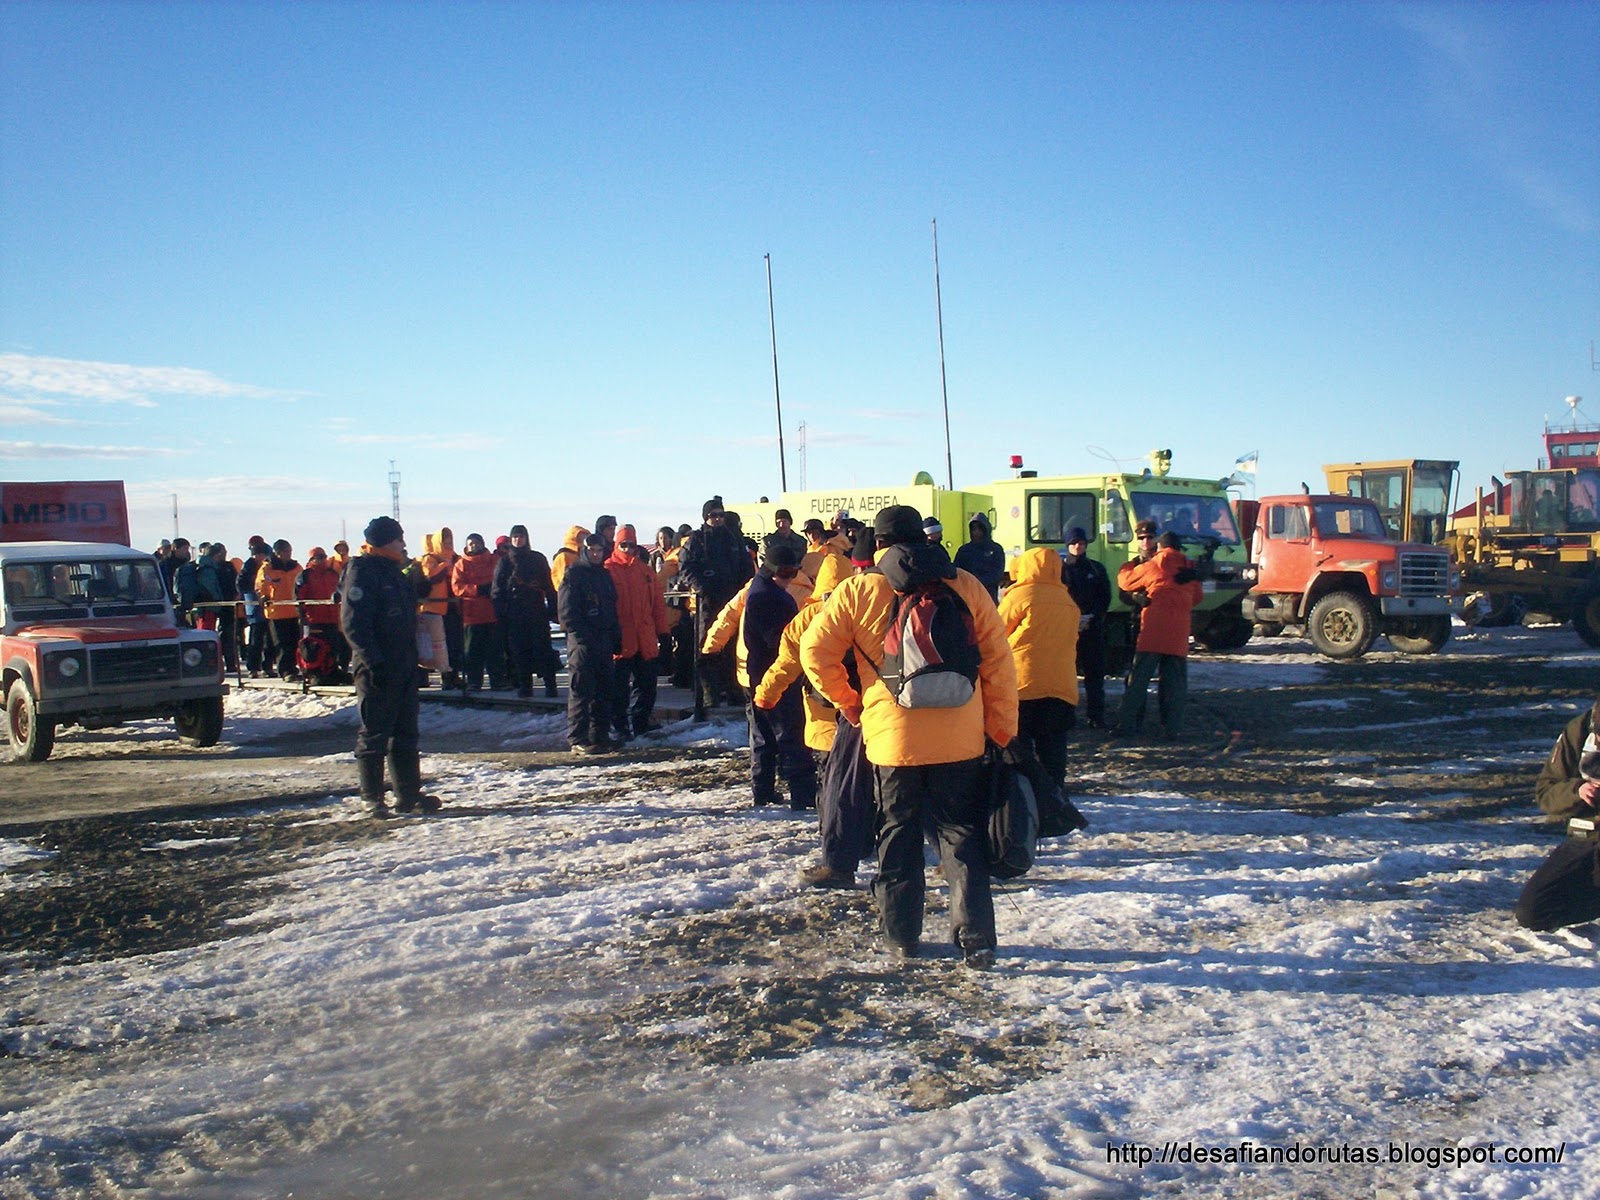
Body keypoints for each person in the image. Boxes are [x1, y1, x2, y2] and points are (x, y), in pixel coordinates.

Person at [801, 504, 1019, 969]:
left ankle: (902, 936)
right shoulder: (966, 584)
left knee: (897, 832)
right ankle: (976, 936)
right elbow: (1000, 662)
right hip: (961, 735)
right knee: (960, 832)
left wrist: (849, 703)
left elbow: (814, 651)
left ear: (878, 543)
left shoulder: (859, 589)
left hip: (892, 738)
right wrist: (1001, 728)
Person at [754, 551, 870, 885]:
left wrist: (766, 694)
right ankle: (867, 839)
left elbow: (786, 663)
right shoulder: (861, 611)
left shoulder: (807, 618)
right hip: (864, 714)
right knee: (866, 782)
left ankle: (833, 842)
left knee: (831, 785)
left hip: (822, 718)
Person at [341, 516, 441, 818]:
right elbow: (354, 624)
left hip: (404, 662)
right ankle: (371, 797)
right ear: (385, 541)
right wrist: (374, 662)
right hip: (377, 666)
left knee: (405, 732)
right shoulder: (363, 570)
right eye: (398, 539)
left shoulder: (395, 570)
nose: (403, 544)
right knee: (375, 732)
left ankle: (407, 794)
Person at [706, 544, 816, 808]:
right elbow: (778, 641)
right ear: (773, 571)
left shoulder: (758, 589)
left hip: (754, 674)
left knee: (763, 736)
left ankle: (763, 790)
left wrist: (711, 647)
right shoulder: (768, 597)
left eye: (794, 573)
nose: (790, 579)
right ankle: (802, 794)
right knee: (790, 734)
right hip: (772, 675)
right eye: (787, 573)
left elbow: (728, 616)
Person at [999, 547, 1081, 794]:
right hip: (1061, 687)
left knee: (1020, 749)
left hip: (1022, 684)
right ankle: (1054, 796)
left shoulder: (1019, 597)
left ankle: (1026, 797)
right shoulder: (1068, 601)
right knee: (1054, 748)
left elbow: (995, 634)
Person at [1515, 699, 1600, 931]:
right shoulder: (1579, 730)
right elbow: (1546, 793)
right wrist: (1577, 791)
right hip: (1587, 836)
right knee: (1533, 913)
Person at [1116, 527, 1202, 740]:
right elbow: (1197, 598)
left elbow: (1125, 581)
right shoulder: (1189, 569)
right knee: (1175, 685)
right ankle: (1173, 729)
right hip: (1178, 633)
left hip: (1152, 631)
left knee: (1138, 681)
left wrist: (1126, 566)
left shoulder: (1154, 564)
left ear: (1160, 546)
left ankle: (1126, 725)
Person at [679, 497, 755, 709]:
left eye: (721, 515)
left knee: (732, 645)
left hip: (732, 599)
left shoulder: (733, 538)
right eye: (714, 515)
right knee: (708, 645)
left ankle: (733, 690)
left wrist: (745, 589)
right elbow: (686, 567)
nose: (718, 519)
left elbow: (746, 566)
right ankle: (709, 693)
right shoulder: (697, 540)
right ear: (706, 517)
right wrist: (702, 587)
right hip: (709, 601)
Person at [605, 525, 671, 739]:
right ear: (616, 545)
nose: (627, 549)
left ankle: (641, 721)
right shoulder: (607, 570)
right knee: (619, 689)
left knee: (647, 685)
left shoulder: (645, 571)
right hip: (620, 640)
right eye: (623, 545)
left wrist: (664, 633)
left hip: (645, 638)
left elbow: (658, 606)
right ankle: (620, 725)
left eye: (631, 545)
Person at [559, 533, 622, 754]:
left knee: (604, 690)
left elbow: (612, 609)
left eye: (599, 550)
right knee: (581, 691)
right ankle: (578, 737)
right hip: (583, 643)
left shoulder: (604, 575)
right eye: (592, 550)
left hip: (603, 639)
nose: (596, 554)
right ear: (584, 551)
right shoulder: (573, 574)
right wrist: (581, 636)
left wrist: (616, 637)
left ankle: (600, 735)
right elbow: (566, 612)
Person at [493, 524, 559, 698]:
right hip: (514, 614)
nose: (518, 540)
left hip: (536, 612)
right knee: (520, 652)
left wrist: (553, 609)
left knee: (543, 650)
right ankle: (525, 686)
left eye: (521, 536)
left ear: (526, 538)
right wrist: (501, 614)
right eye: (515, 537)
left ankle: (550, 685)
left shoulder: (537, 559)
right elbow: (497, 591)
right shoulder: (505, 562)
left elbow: (549, 586)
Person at [1061, 527, 1112, 729]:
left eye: (1081, 543)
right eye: (1073, 543)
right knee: (1066, 675)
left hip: (1092, 628)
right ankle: (1067, 717)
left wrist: (1093, 617)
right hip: (1066, 631)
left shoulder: (1096, 569)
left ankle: (1096, 716)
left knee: (1095, 675)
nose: (1077, 546)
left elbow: (1105, 596)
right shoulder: (1059, 571)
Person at [450, 533, 501, 691]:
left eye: (476, 543)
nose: (474, 546)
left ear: (483, 544)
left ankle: (497, 681)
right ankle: (474, 682)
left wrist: (494, 589)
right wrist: (477, 590)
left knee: (495, 651)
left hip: (492, 612)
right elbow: (457, 587)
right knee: (472, 652)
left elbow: (502, 579)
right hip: (472, 615)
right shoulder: (461, 564)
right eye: (471, 543)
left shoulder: (494, 560)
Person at [294, 547, 348, 682]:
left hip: (332, 617)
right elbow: (299, 596)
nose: (323, 560)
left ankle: (331, 670)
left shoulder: (333, 574)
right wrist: (302, 615)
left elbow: (341, 590)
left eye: (324, 556)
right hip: (314, 618)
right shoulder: (305, 575)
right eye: (319, 557)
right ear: (311, 559)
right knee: (314, 648)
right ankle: (313, 673)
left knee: (332, 646)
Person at [417, 528, 460, 689]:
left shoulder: (456, 558)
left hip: (453, 607)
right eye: (445, 542)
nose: (448, 545)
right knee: (437, 646)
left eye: (450, 542)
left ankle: (453, 676)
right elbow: (431, 576)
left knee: (454, 644)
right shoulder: (430, 559)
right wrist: (445, 565)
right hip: (434, 609)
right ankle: (444, 678)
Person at [258, 539, 303, 679]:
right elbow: (261, 584)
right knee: (281, 643)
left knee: (294, 642)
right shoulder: (267, 568)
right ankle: (285, 671)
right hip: (276, 612)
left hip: (293, 611)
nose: (289, 554)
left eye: (290, 551)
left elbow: (302, 583)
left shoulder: (296, 567)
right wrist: (264, 596)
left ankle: (292, 668)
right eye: (286, 551)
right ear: (277, 553)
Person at [194, 542, 239, 672]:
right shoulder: (207, 569)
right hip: (211, 605)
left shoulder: (227, 566)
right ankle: (211, 662)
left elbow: (235, 582)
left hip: (226, 604)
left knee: (228, 634)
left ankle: (229, 663)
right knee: (208, 633)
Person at [953, 513, 1006, 602]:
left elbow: (997, 574)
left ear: (986, 530)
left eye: (979, 529)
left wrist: (978, 582)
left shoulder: (995, 549)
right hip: (968, 596)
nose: (976, 532)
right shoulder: (965, 550)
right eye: (974, 529)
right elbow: (957, 571)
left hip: (988, 595)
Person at [551, 525, 589, 591]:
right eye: (580, 535)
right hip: (568, 592)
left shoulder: (586, 556)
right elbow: (561, 579)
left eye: (585, 535)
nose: (583, 537)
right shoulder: (564, 556)